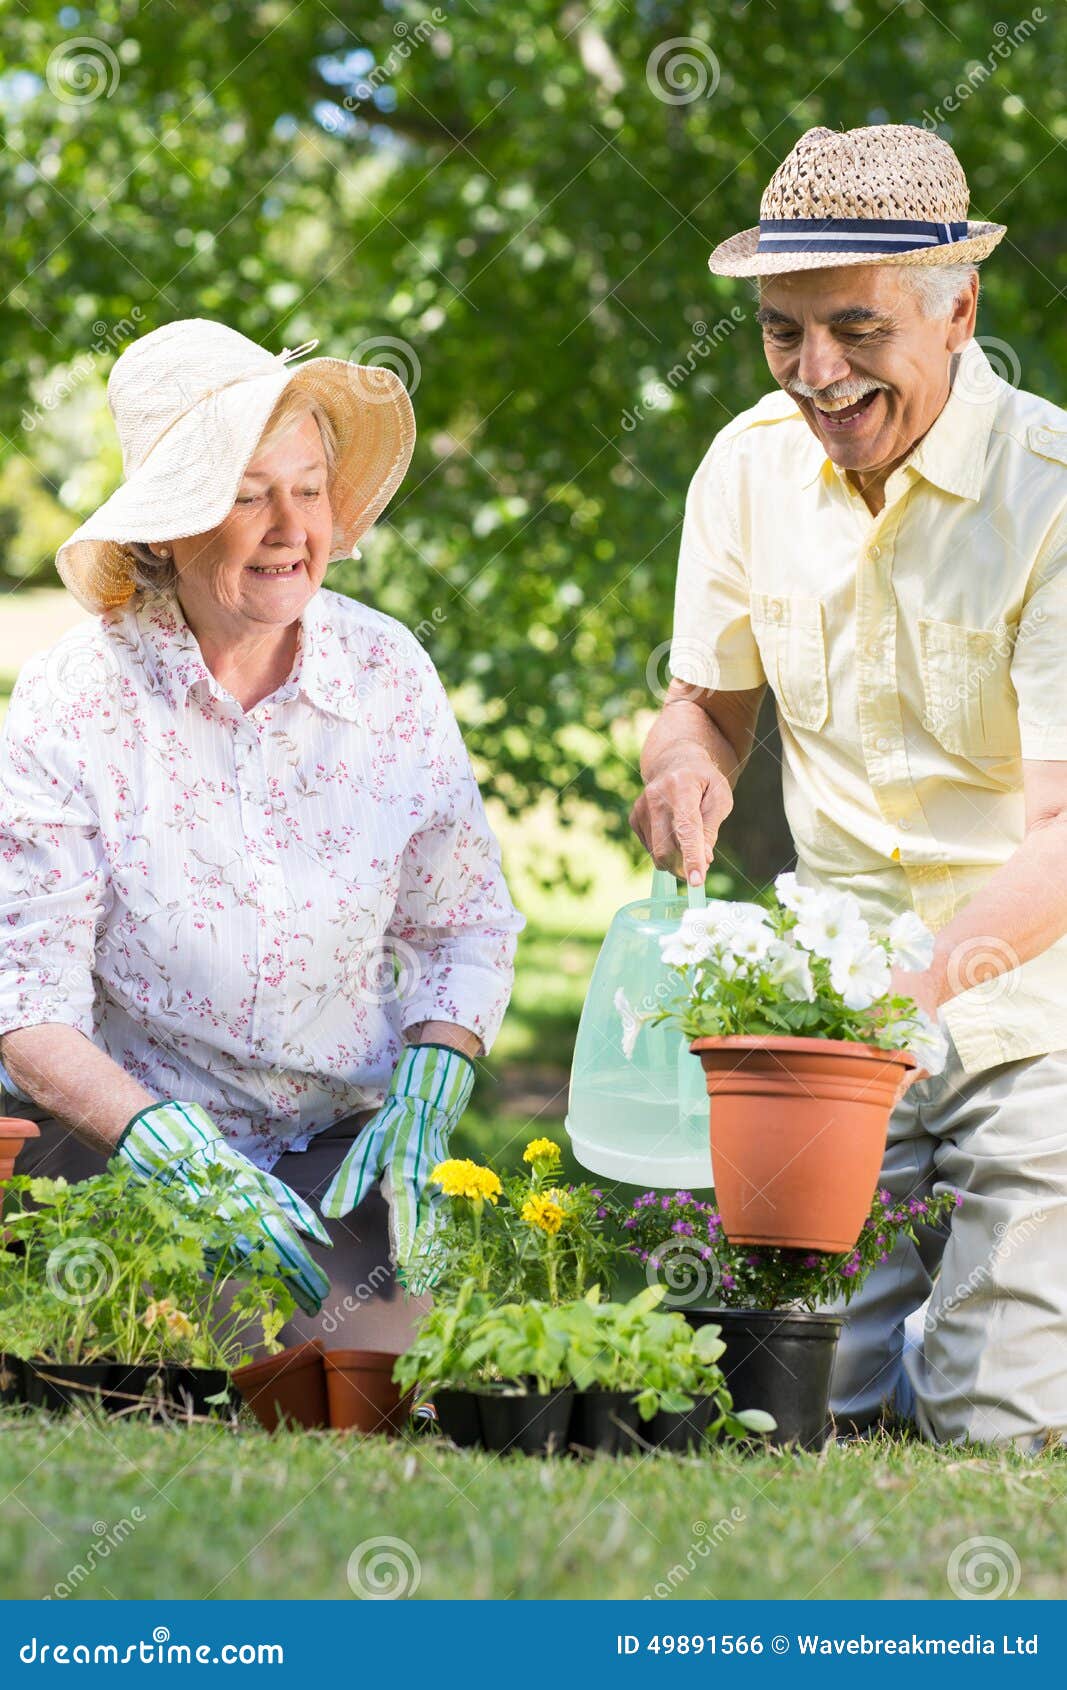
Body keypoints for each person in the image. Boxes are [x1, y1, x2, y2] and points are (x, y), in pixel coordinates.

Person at [631, 124, 1067, 1447]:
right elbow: (702, 706)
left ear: (955, 309)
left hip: (1028, 1014)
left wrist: (909, 1000)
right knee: (783, 1412)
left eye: (854, 328)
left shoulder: (1046, 492)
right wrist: (680, 771)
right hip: (826, 1021)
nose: (814, 374)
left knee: (989, 1428)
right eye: (780, 331)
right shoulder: (745, 466)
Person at [0, 317, 523, 1350]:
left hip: (332, 1140)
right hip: (121, 1137)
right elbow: (27, 1001)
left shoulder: (385, 673)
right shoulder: (78, 696)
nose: (291, 526)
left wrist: (430, 1078)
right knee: (172, 1346)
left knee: (358, 1363)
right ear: (162, 531)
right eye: (246, 495)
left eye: (309, 488)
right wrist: (167, 1144)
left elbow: (461, 920)